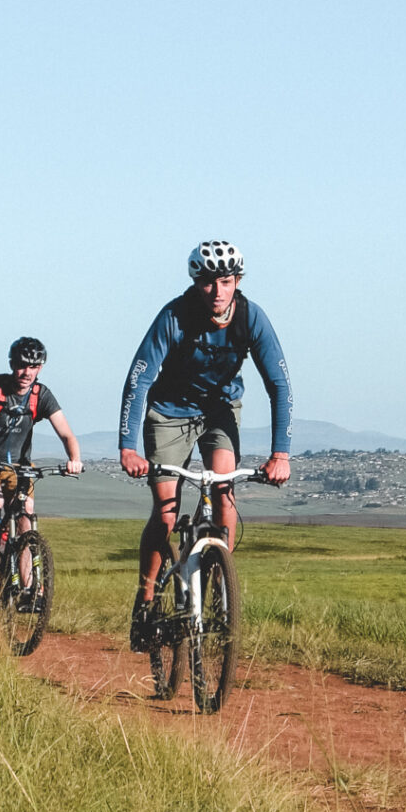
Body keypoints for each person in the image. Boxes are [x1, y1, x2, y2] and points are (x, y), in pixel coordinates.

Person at [119, 241, 291, 642]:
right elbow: (138, 378)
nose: (218, 291)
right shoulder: (175, 315)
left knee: (224, 495)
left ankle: (218, 590)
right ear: (198, 283)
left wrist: (280, 453)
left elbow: (279, 385)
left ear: (237, 282)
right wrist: (128, 446)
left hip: (220, 411)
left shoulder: (251, 318)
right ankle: (146, 598)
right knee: (165, 511)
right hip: (170, 412)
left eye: (226, 282)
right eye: (210, 283)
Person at [0, 337, 83, 588]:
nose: (27, 373)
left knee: (26, 517)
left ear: (41, 367)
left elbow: (66, 433)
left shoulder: (41, 395)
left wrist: (75, 459)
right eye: (22, 366)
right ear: (12, 364)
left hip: (20, 467)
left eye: (34, 367)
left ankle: (25, 588)